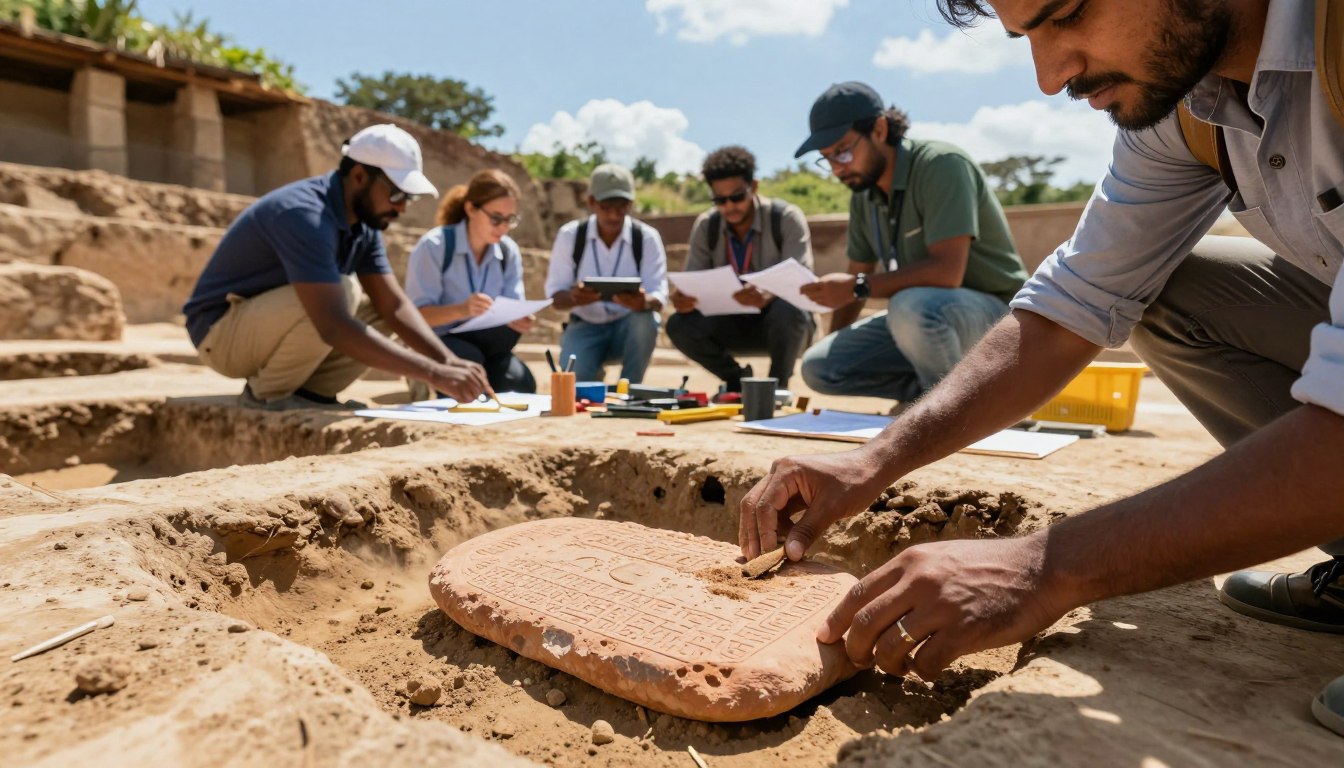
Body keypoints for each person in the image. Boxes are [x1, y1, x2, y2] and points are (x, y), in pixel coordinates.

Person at [740, 0, 1344, 736]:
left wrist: (1042, 568)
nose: (1051, 76)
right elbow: (1073, 304)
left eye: (1067, 13)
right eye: (1027, 36)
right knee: (1170, 291)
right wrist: (873, 461)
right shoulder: (1188, 100)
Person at [183, 124, 488, 410]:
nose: (401, 208)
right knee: (344, 291)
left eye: (408, 197)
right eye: (396, 194)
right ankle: (267, 396)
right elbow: (331, 325)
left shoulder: (365, 225)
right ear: (359, 176)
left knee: (378, 312)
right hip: (220, 336)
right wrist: (433, 373)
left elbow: (394, 306)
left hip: (263, 329)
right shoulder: (304, 215)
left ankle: (310, 394)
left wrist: (449, 361)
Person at [792, 82, 1028, 406]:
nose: (836, 169)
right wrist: (838, 337)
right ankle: (930, 399)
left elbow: (948, 273)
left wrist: (856, 287)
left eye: (843, 151)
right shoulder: (864, 196)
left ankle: (950, 412)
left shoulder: (942, 164)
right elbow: (856, 277)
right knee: (820, 367)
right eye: (827, 159)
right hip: (929, 321)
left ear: (878, 129)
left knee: (910, 305)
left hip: (998, 318)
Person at [666, 146, 815, 392]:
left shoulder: (786, 217)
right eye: (720, 200)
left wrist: (767, 293)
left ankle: (777, 388)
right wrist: (686, 299)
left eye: (737, 197)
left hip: (785, 328)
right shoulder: (706, 226)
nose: (729, 206)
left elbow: (801, 280)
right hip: (730, 325)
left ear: (753, 187)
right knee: (678, 325)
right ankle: (737, 381)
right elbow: (695, 281)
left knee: (789, 307)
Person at [404, 169, 536, 394]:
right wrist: (462, 310)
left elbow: (513, 305)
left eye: (510, 219)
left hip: (491, 348)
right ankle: (423, 384)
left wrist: (519, 318)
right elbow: (414, 319)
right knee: (466, 367)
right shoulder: (434, 247)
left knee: (520, 384)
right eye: (496, 218)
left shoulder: (509, 251)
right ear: (471, 208)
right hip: (438, 346)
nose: (503, 227)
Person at [545, 163, 669, 383]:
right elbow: (556, 298)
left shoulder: (647, 238)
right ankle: (591, 369)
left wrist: (642, 301)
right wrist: (575, 297)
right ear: (591, 202)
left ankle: (630, 389)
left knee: (646, 319)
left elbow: (658, 296)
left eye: (621, 207)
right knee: (577, 384)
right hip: (585, 326)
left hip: (627, 328)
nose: (613, 215)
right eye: (606, 206)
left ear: (631, 204)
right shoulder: (570, 236)